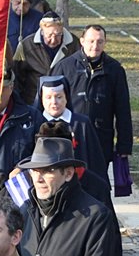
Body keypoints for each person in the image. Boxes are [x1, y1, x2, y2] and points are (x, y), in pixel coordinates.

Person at [52, 24, 133, 180]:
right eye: (91, 41)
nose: (95, 46)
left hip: (100, 139)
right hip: (70, 137)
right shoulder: (64, 67)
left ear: (105, 43)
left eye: (100, 41)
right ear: (82, 41)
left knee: (98, 184)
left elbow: (122, 109)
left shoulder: (115, 69)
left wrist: (124, 145)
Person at [38, 76, 110, 204]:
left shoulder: (82, 123)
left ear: (67, 97)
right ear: (41, 99)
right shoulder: (36, 124)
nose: (54, 102)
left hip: (81, 188)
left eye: (59, 97)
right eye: (48, 97)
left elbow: (95, 160)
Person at [10, 10, 77, 106]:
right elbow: (17, 76)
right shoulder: (27, 46)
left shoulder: (73, 44)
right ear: (41, 32)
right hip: (34, 101)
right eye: (49, 35)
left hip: (63, 101)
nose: (53, 40)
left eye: (58, 35)